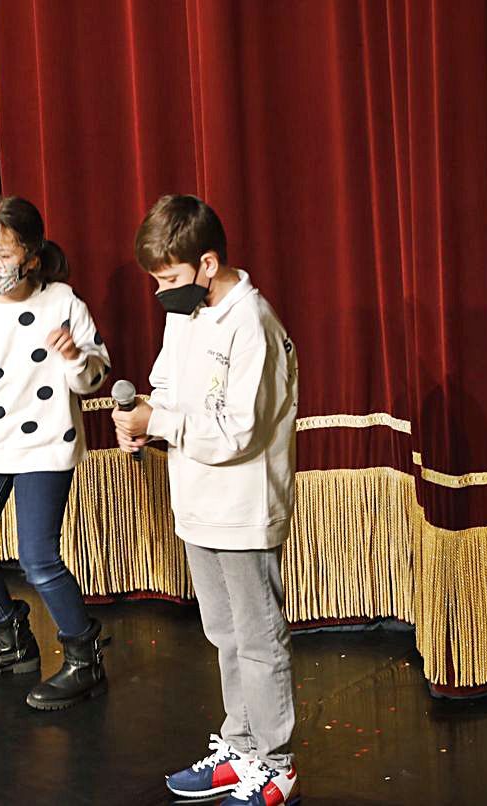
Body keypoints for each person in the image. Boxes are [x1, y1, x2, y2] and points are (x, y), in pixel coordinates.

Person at [113, 195, 301, 804]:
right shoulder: (185, 314)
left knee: (258, 636)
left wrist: (160, 421)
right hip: (196, 503)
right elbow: (165, 383)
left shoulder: (253, 324)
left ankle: (277, 765)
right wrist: (142, 416)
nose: (161, 292)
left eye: (168, 278)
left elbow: (238, 433)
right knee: (224, 632)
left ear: (208, 262)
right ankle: (241, 746)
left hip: (243, 508)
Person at [0, 196, 112, 710]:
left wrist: (75, 358)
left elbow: (94, 377)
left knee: (38, 558)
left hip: (44, 449)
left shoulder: (63, 304)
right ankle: (12, 641)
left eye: (3, 255)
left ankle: (84, 656)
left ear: (30, 256)